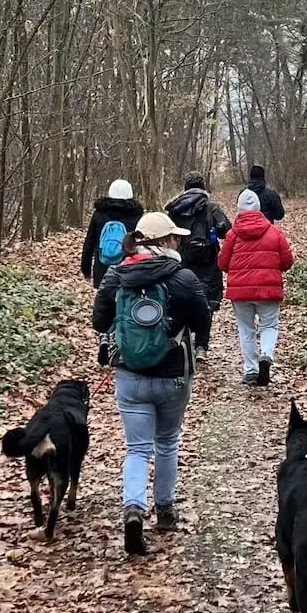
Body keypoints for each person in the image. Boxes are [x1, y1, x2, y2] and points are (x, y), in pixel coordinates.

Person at [92, 211, 212, 556]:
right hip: (173, 372)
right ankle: (166, 511)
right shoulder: (183, 277)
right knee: (168, 441)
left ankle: (133, 508)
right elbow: (203, 319)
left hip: (130, 375)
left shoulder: (117, 274)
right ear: (166, 241)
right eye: (175, 237)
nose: (179, 241)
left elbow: (99, 318)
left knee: (136, 448)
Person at [218, 189, 294, 386]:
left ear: (239, 210)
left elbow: (223, 264)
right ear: (259, 208)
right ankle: (266, 355)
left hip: (240, 292)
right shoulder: (274, 232)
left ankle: (251, 370)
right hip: (268, 290)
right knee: (269, 325)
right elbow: (287, 261)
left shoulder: (232, 235)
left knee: (246, 329)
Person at [164, 172, 231, 361]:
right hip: (208, 262)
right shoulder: (211, 207)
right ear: (203, 187)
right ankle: (201, 345)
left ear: (185, 188)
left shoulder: (175, 209)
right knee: (207, 302)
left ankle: (182, 339)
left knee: (179, 298)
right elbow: (226, 229)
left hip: (181, 260)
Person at [81, 179, 144, 366]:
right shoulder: (136, 216)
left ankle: (103, 336)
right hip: (127, 266)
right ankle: (118, 340)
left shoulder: (100, 214)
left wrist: (86, 267)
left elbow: (90, 242)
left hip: (103, 267)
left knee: (104, 303)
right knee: (123, 302)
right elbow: (141, 244)